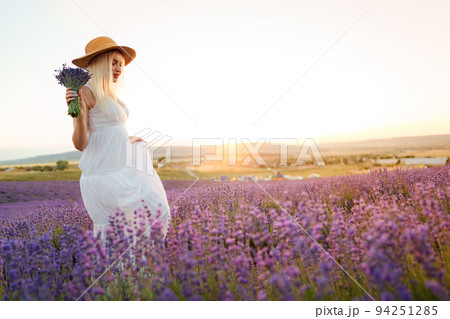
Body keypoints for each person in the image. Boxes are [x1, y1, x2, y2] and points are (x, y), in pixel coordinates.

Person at [66, 36, 171, 249]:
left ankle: (140, 276)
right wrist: (76, 112)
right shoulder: (85, 91)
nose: (118, 68)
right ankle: (116, 280)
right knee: (116, 236)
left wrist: (128, 139)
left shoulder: (111, 94)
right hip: (104, 176)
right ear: (99, 62)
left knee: (156, 215)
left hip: (121, 170)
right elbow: (80, 143)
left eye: (120, 64)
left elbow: (108, 129)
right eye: (113, 62)